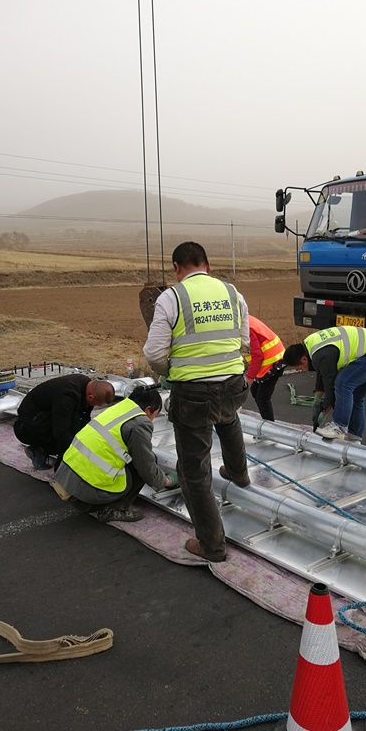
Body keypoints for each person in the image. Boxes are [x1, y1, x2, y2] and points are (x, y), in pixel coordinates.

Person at [143, 241, 250, 563]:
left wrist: (170, 372)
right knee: (229, 418)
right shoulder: (233, 293)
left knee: (193, 472)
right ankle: (238, 473)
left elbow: (154, 354)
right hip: (234, 384)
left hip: (194, 394)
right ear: (208, 265)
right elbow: (244, 342)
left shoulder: (171, 297)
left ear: (177, 268)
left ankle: (212, 546)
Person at [52, 384, 177, 523]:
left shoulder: (119, 408)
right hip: (84, 495)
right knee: (145, 461)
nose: (153, 418)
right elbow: (145, 465)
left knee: (133, 456)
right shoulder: (140, 422)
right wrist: (166, 481)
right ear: (148, 410)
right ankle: (115, 510)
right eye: (155, 414)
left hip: (64, 481)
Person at [283, 326, 366, 442]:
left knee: (343, 383)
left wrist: (323, 411)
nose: (301, 370)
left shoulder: (322, 355)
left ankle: (339, 427)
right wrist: (318, 398)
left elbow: (330, 388)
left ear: (303, 359)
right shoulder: (310, 345)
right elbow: (322, 372)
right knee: (356, 397)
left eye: (299, 368)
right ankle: (354, 437)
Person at [14, 374, 115, 471]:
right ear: (90, 397)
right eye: (96, 404)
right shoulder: (66, 396)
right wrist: (64, 465)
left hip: (45, 414)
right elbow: (61, 433)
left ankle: (47, 449)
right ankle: (40, 450)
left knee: (76, 424)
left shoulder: (88, 387)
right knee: (71, 426)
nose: (93, 406)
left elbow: (85, 420)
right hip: (27, 425)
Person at [245, 316, 286, 421]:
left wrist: (249, 378)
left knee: (262, 398)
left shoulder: (245, 329)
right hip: (266, 361)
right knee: (255, 391)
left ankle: (269, 425)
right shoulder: (243, 320)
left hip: (274, 362)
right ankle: (266, 421)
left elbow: (257, 356)